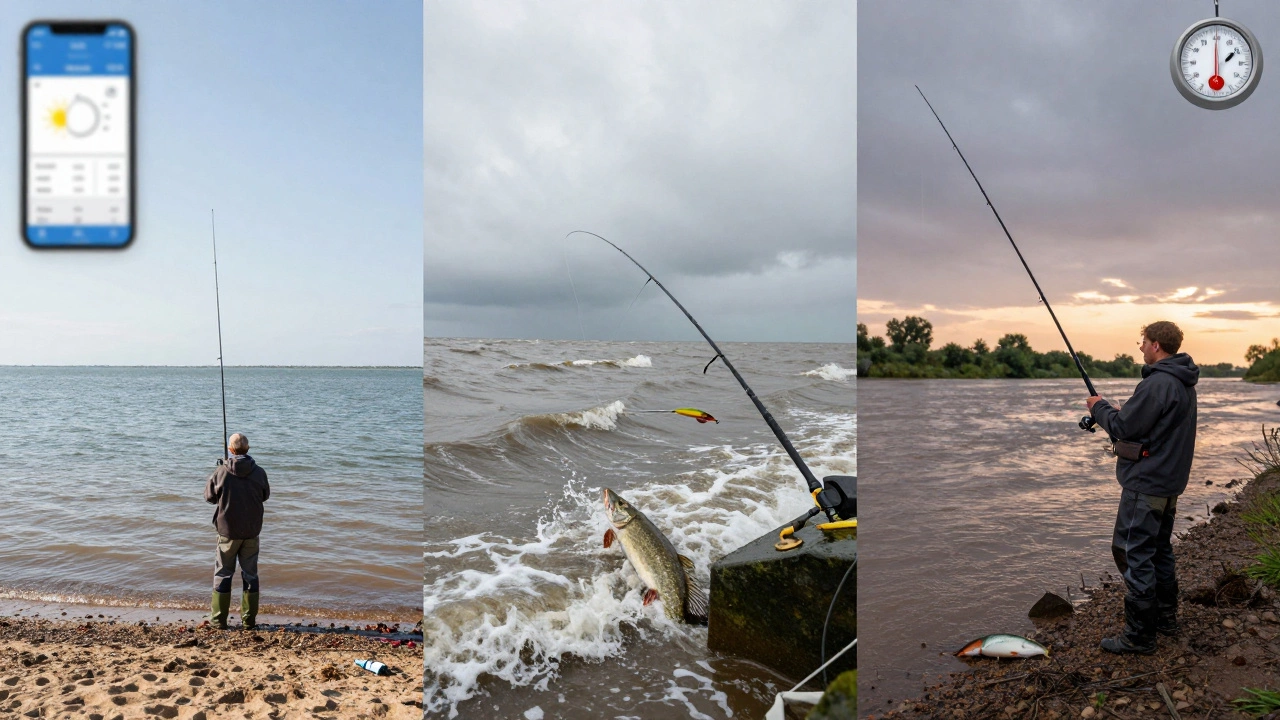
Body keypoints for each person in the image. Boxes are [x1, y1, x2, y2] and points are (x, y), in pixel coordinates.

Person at [1086, 321, 1198, 654]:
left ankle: (1139, 636)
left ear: (1156, 346)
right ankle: (1165, 620)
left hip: (1147, 483)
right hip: (1168, 483)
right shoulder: (1181, 382)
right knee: (1159, 549)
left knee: (1132, 553)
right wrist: (1121, 412)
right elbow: (1150, 424)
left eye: (1143, 342)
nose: (1140, 347)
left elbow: (1122, 426)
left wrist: (1099, 407)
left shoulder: (1158, 383)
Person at [204, 432, 270, 630]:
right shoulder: (259, 472)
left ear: (231, 450)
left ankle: (218, 620)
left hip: (227, 532)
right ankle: (248, 621)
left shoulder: (221, 472)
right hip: (251, 531)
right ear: (247, 449)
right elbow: (265, 495)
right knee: (250, 574)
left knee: (223, 573)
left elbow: (209, 497)